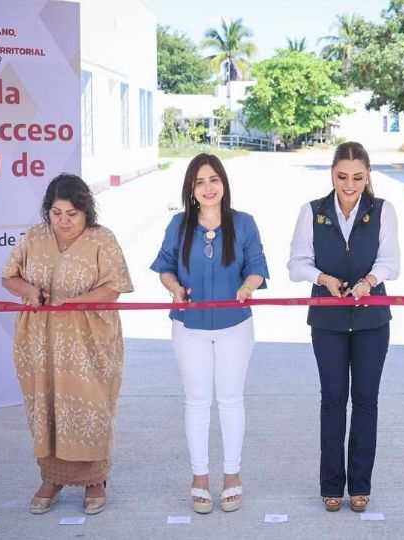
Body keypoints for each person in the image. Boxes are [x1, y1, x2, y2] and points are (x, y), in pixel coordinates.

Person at [0, 173, 133, 515]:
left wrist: (78, 301)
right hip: (40, 341)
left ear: (86, 211)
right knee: (45, 407)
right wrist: (30, 291)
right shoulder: (34, 237)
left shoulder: (102, 239)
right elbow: (9, 276)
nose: (64, 221)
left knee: (91, 407)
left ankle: (94, 481)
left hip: (89, 341)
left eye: (72, 214)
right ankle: (51, 478)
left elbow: (115, 286)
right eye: (56, 213)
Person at [151, 153, 268, 514]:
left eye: (214, 179)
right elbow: (166, 267)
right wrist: (174, 288)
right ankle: (199, 477)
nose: (208, 187)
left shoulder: (244, 223)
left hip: (235, 327)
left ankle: (231, 475)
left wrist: (247, 287)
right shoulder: (179, 225)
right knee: (197, 400)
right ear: (191, 188)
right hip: (190, 328)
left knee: (231, 400)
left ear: (224, 183)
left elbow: (257, 267)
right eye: (200, 181)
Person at [288, 141, 400, 513]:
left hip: (372, 321)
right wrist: (323, 278)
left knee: (366, 402)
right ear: (332, 174)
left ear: (368, 175)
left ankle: (361, 486)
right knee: (333, 400)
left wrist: (368, 281)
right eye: (341, 176)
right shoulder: (313, 212)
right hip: (328, 322)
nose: (349, 185)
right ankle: (331, 485)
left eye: (357, 177)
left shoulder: (383, 211)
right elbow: (296, 264)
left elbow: (391, 263)